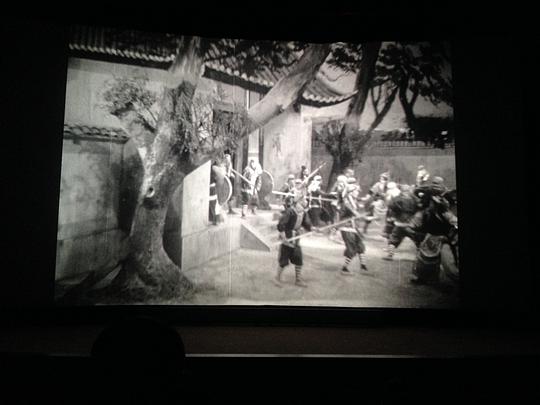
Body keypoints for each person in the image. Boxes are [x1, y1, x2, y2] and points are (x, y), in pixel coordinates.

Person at [275, 195, 312, 287]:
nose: (306, 202)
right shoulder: (290, 211)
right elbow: (281, 224)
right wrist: (283, 235)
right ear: (298, 202)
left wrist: (312, 228)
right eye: (304, 200)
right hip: (287, 238)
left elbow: (306, 224)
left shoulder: (303, 213)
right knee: (284, 260)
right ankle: (277, 278)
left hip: (296, 238)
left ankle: (298, 280)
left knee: (298, 258)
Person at [383, 184, 419, 260]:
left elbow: (391, 206)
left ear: (402, 190)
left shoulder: (398, 198)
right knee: (417, 240)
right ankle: (419, 256)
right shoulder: (414, 199)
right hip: (410, 223)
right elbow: (419, 206)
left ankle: (390, 255)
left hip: (399, 223)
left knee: (393, 239)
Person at [339, 183, 368, 275]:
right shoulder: (347, 203)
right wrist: (365, 217)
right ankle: (344, 268)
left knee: (360, 246)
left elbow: (357, 210)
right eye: (356, 191)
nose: (358, 193)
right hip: (347, 228)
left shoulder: (352, 201)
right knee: (351, 248)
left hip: (353, 227)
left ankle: (363, 265)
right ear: (351, 192)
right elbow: (354, 213)